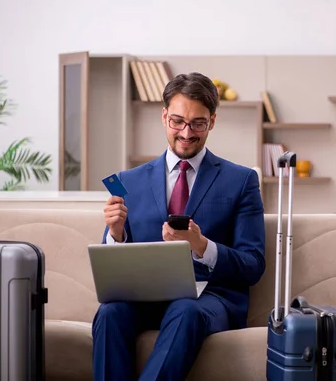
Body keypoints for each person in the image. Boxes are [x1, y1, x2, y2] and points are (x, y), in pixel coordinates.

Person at [91, 72, 266, 381]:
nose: (186, 133)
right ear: (164, 117)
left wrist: (201, 245)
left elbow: (253, 265)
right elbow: (115, 266)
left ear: (212, 121)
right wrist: (116, 235)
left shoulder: (241, 181)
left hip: (208, 299)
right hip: (144, 297)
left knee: (185, 309)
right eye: (177, 121)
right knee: (109, 313)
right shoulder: (128, 180)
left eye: (198, 123)